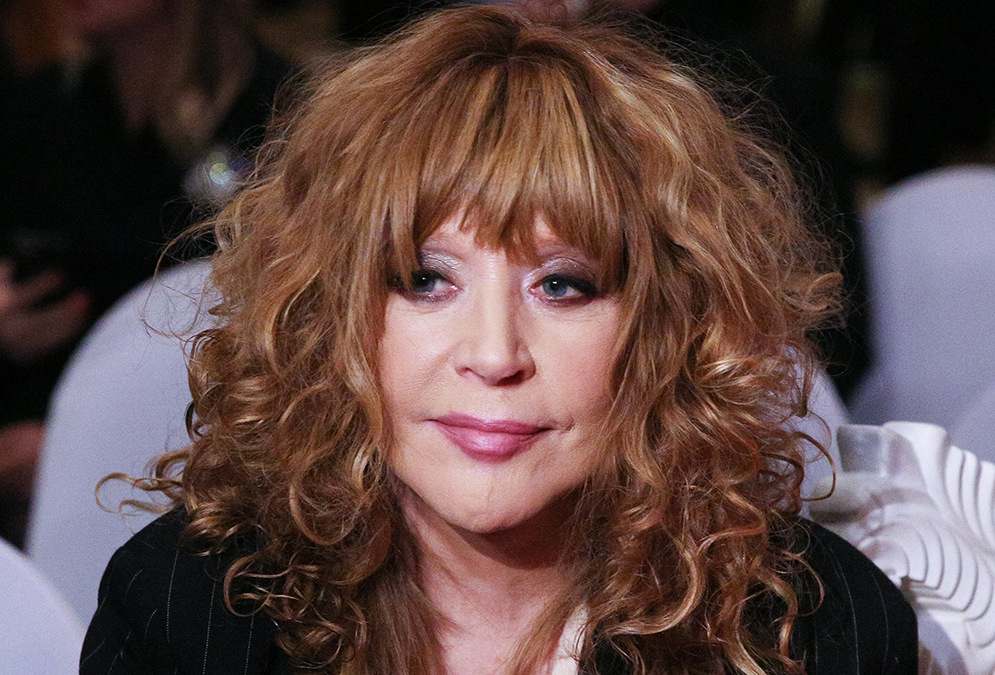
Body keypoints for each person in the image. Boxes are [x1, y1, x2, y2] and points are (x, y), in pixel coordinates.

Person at [80, 5, 917, 674]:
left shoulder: (816, 632)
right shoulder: (188, 608)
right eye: (424, 279)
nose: (492, 354)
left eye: (562, 285)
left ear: (669, 328)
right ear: (328, 313)